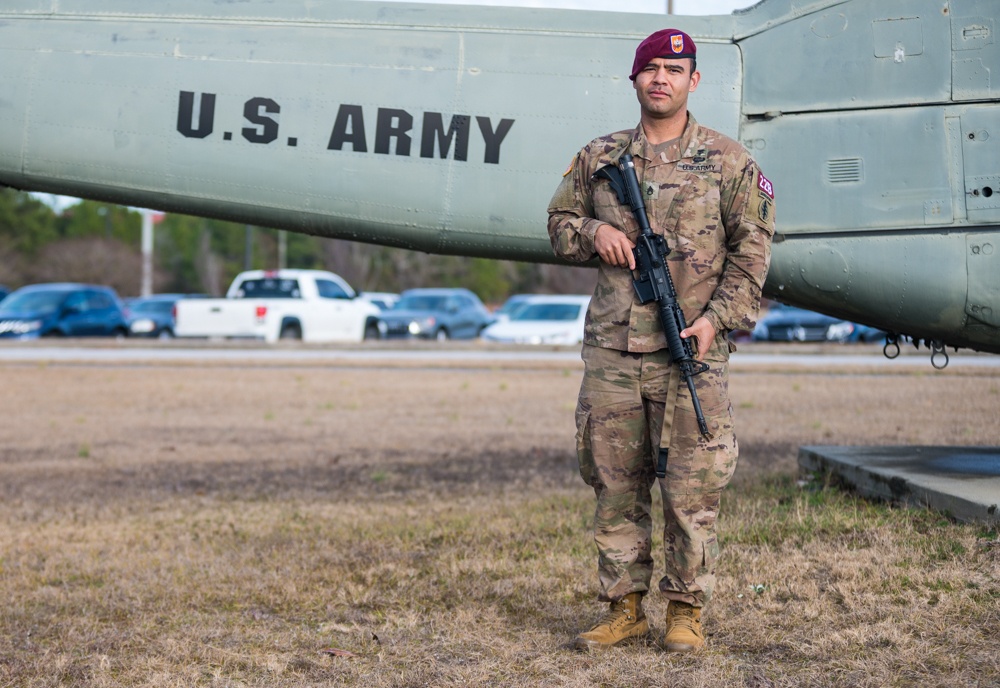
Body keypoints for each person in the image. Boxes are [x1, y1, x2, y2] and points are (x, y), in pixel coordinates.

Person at [546, 28, 775, 653]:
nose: (662, 78)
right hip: (614, 354)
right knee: (616, 486)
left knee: (691, 490)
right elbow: (557, 225)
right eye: (651, 68)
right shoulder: (600, 157)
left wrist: (713, 322)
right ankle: (622, 607)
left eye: (674, 69)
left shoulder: (730, 164)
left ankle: (683, 611)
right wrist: (593, 231)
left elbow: (752, 260)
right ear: (635, 78)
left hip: (691, 353)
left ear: (693, 81)